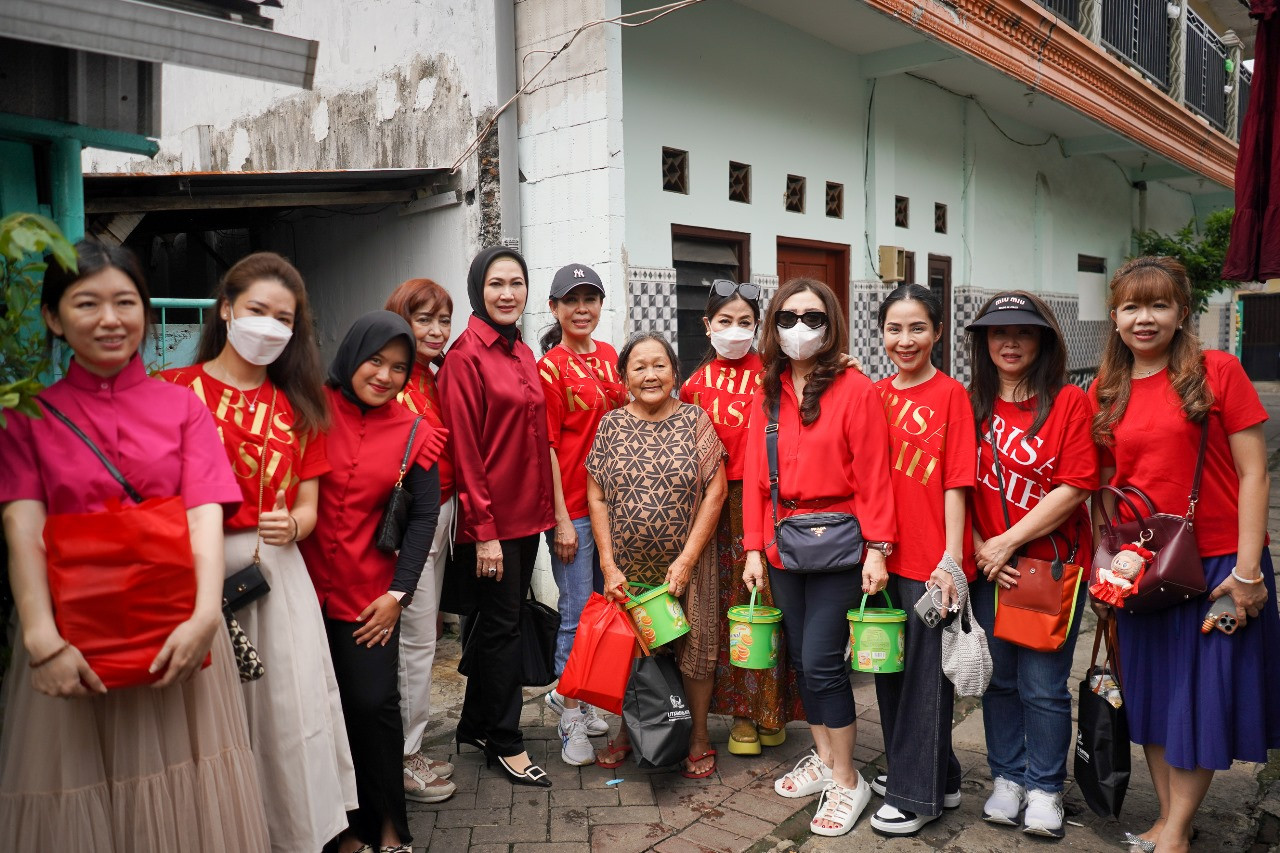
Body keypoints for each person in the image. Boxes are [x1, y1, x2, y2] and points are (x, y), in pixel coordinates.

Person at [0, 241, 270, 852]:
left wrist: (205, 617)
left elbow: (205, 519)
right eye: (86, 302)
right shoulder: (28, 419)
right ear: (53, 317)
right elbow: (23, 529)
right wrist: (42, 643)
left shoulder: (182, 409)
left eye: (126, 302)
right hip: (68, 640)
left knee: (187, 809)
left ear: (146, 314)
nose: (110, 318)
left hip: (179, 632)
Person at [158, 252, 356, 852]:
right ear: (226, 309)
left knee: (285, 712)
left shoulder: (299, 406)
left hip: (274, 576)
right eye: (257, 311)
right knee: (206, 713)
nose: (269, 326)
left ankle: (293, 831)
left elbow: (310, 509)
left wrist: (291, 527)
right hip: (191, 568)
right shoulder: (172, 392)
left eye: (284, 318)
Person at [1089, 257, 1280, 853]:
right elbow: (1101, 487)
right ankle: (1174, 819)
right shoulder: (1105, 389)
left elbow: (1255, 475)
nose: (1144, 318)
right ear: (1114, 316)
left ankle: (1172, 831)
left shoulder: (1216, 371)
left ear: (1181, 312)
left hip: (1219, 563)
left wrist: (1247, 573)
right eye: (1131, 306)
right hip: (1140, 572)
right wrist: (1103, 566)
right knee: (1151, 696)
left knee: (1199, 698)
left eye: (1159, 305)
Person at [741, 278, 897, 838]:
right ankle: (827, 761)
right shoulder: (769, 389)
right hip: (783, 546)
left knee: (826, 662)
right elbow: (756, 481)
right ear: (773, 326)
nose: (799, 328)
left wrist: (878, 548)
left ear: (831, 325)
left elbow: (876, 474)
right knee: (803, 663)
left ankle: (848, 778)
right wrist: (754, 547)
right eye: (786, 318)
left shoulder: (856, 389)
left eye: (811, 317)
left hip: (841, 546)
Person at [299, 311, 446, 853]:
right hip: (299, 595)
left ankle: (387, 826)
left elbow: (424, 520)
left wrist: (396, 596)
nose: (385, 375)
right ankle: (337, 831)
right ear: (351, 356)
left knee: (372, 706)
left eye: (399, 368)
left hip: (368, 602)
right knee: (314, 714)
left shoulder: (414, 433)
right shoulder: (307, 410)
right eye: (375, 361)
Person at [966, 290, 1097, 839]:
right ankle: (1007, 778)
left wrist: (1005, 542)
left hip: (1052, 568)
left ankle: (1045, 787)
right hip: (989, 570)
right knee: (998, 682)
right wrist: (979, 546)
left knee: (1043, 686)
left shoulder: (1068, 401)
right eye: (999, 332)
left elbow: (1076, 487)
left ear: (1043, 339)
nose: (1011, 342)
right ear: (984, 342)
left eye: (1023, 332)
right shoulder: (969, 402)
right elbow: (956, 486)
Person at [438, 247, 555, 788]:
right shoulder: (466, 358)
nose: (507, 293)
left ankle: (477, 724)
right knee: (503, 630)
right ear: (477, 291)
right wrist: (484, 534)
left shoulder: (522, 353)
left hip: (528, 517)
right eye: (495, 284)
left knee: (496, 627)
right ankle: (507, 740)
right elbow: (466, 451)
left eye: (516, 283)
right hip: (493, 525)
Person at [587, 333, 727, 778]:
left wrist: (686, 559)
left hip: (688, 563)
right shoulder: (610, 425)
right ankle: (630, 730)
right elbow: (597, 496)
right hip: (627, 568)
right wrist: (608, 565)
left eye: (660, 365)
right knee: (629, 650)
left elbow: (716, 490)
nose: (650, 375)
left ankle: (699, 735)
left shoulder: (695, 420)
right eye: (639, 367)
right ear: (623, 375)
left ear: (674, 371)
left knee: (696, 649)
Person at [867, 283, 976, 836]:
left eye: (917, 328)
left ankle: (916, 796)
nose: (904, 339)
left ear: (937, 332)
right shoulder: (875, 395)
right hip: (885, 558)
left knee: (926, 685)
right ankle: (943, 776)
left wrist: (951, 561)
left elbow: (957, 482)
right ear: (880, 332)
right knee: (891, 674)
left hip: (932, 564)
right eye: (894, 328)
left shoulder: (951, 395)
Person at [680, 280, 803, 758]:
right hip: (712, 510)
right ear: (707, 325)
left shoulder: (778, 375)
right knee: (728, 612)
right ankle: (741, 716)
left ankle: (775, 712)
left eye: (745, 322)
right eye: (724, 321)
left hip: (770, 507)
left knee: (772, 609)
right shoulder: (692, 386)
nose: (735, 331)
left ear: (759, 327)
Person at [535, 263, 627, 766]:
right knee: (574, 613)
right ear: (554, 308)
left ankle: (580, 696)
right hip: (573, 505)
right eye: (571, 300)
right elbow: (548, 444)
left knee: (603, 608)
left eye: (590, 298)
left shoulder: (612, 356)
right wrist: (562, 519)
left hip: (614, 506)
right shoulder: (548, 368)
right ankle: (570, 715)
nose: (582, 308)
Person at [384, 277, 460, 802]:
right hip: (413, 524)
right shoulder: (392, 380)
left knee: (423, 638)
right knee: (413, 642)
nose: (436, 331)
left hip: (442, 513)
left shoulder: (431, 376)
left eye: (442, 320)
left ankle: (408, 744)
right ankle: (399, 757)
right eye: (423, 319)